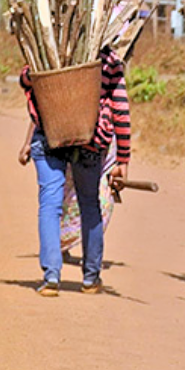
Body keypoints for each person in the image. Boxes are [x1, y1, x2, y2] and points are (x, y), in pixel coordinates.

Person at [17, 45, 130, 297]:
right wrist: (123, 157)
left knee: (50, 203)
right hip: (89, 139)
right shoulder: (109, 61)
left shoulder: (46, 51)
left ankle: (51, 276)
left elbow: (27, 80)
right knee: (89, 203)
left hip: (48, 135)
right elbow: (120, 109)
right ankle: (91, 278)